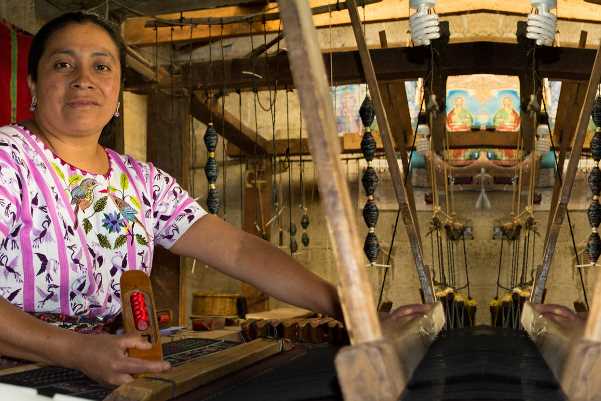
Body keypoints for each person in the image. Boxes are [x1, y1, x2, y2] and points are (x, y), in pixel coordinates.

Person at [0, 12, 428, 386]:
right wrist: (75, 351)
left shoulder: (140, 182)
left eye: (101, 66)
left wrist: (352, 312)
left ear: (116, 92)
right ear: (35, 83)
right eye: (62, 64)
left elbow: (239, 250)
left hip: (94, 372)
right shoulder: (9, 161)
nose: (84, 79)